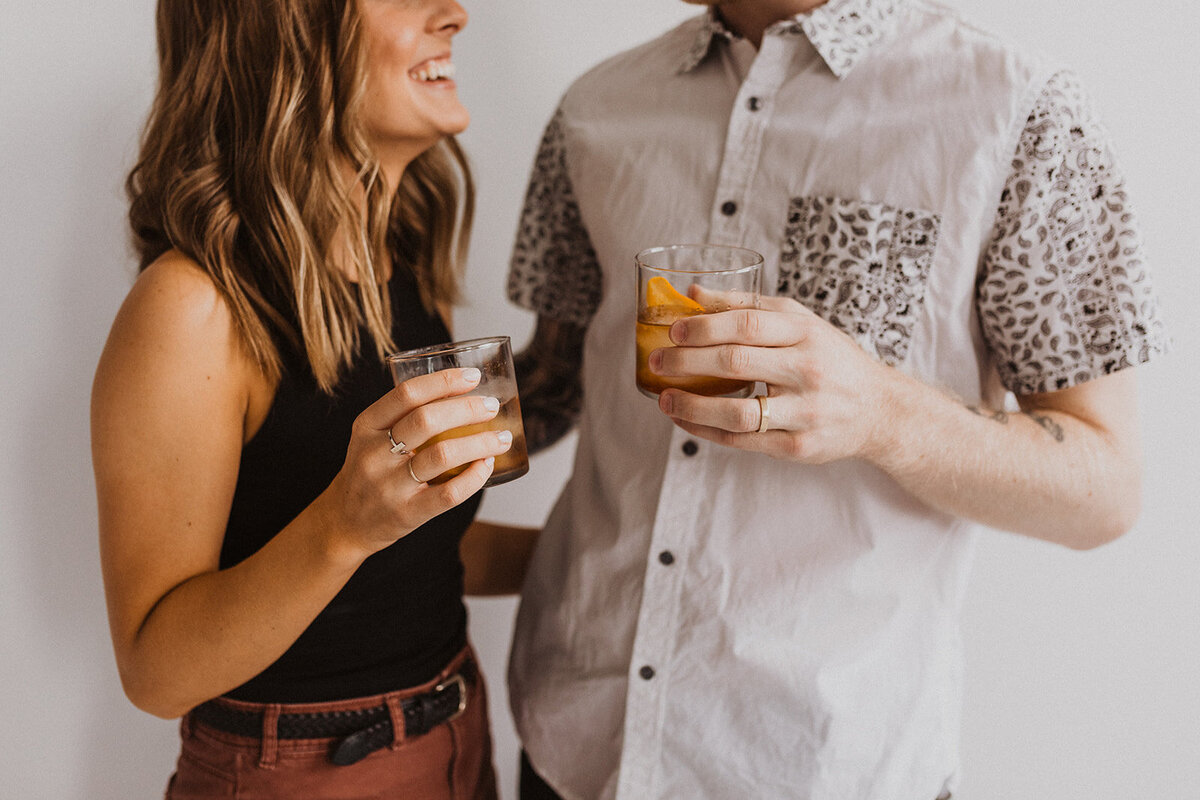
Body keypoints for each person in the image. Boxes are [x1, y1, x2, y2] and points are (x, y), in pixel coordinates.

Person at [504, 1, 1170, 798]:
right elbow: (555, 378)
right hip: (574, 742)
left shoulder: (1022, 110)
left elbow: (1104, 489)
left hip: (822, 762)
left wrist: (883, 414)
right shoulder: (595, 106)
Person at [90, 1, 537, 797]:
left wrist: (584, 558)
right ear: (285, 37)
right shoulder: (191, 308)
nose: (455, 13)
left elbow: (412, 554)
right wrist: (342, 524)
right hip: (305, 771)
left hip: (460, 735)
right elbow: (155, 672)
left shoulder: (397, 258)